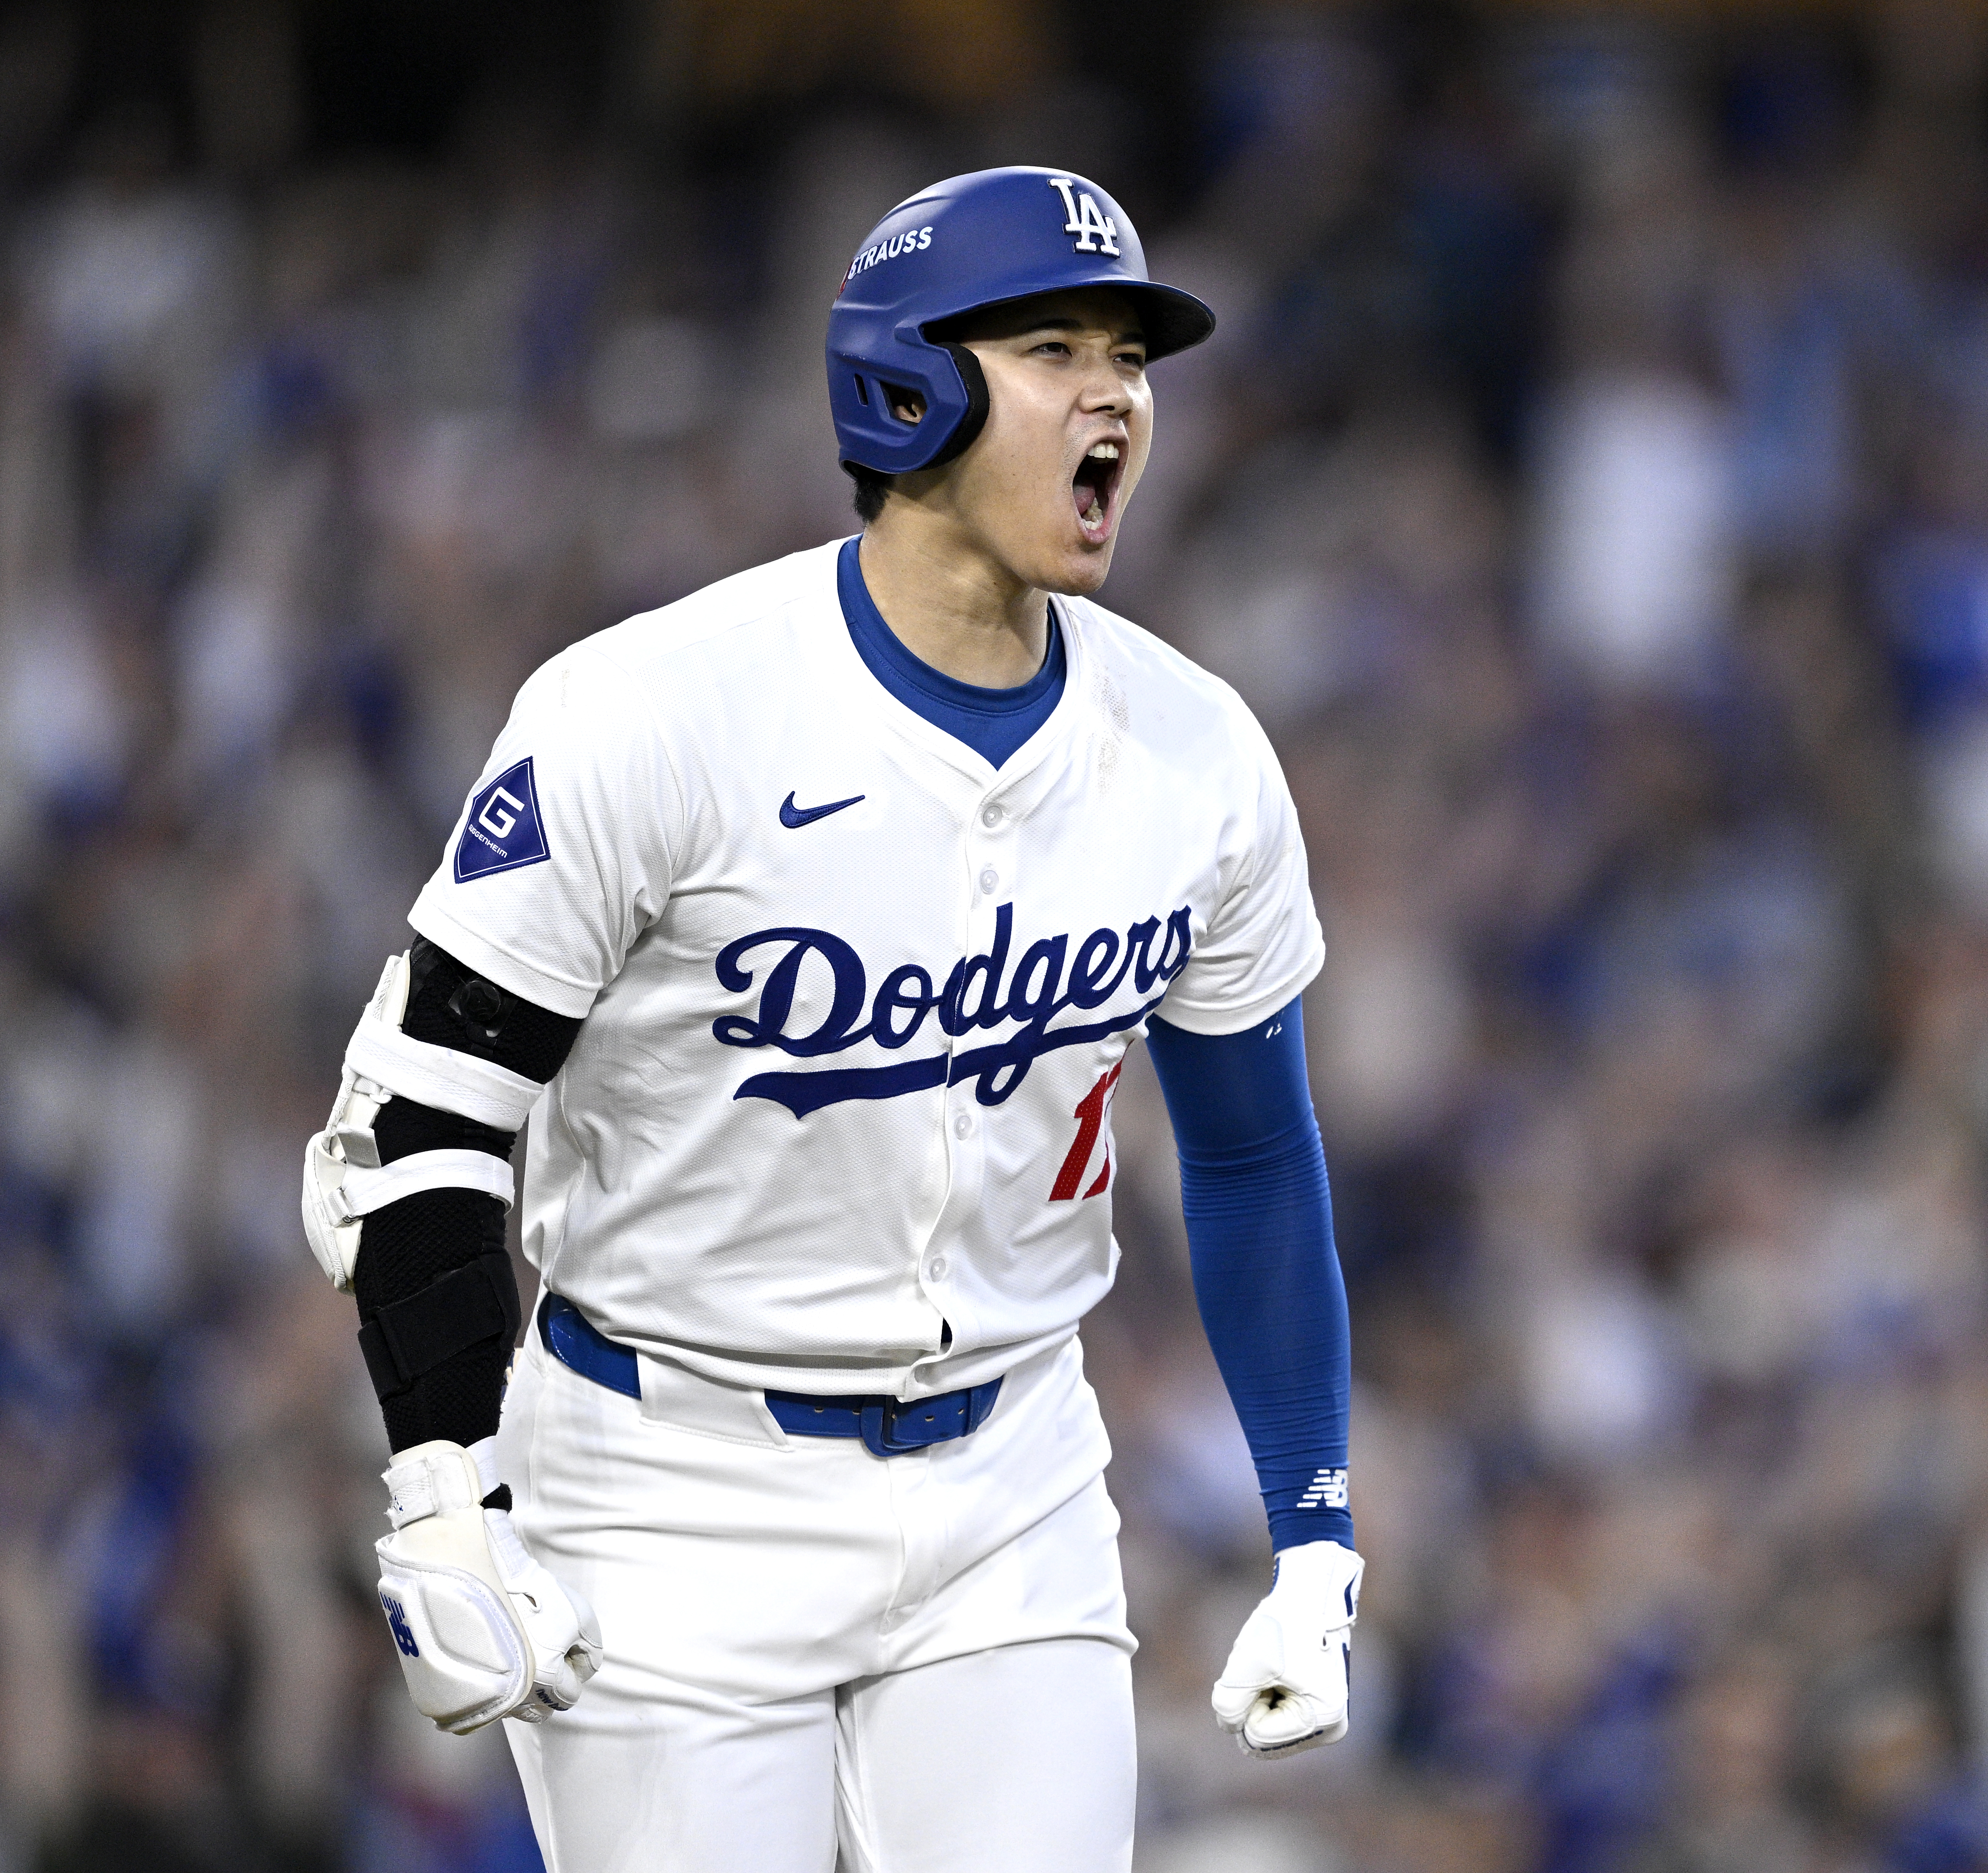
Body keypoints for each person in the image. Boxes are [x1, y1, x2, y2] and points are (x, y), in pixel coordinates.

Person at [297, 166, 1360, 1870]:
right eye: (1055, 346)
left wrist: (1315, 1528)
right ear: (909, 386)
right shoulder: (655, 713)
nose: (1116, 396)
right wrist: (448, 1479)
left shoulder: (1197, 750)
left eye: (1131, 359)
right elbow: (418, 1120)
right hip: (668, 1479)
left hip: (1009, 1468)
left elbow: (1252, 1153)